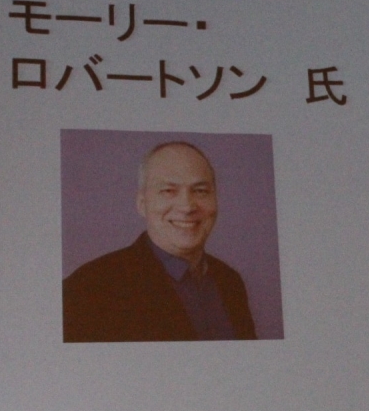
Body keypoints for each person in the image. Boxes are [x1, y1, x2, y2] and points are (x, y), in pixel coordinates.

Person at [63, 141, 256, 342]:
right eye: (168, 191)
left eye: (200, 191)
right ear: (142, 204)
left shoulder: (230, 282)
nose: (187, 206)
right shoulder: (88, 288)